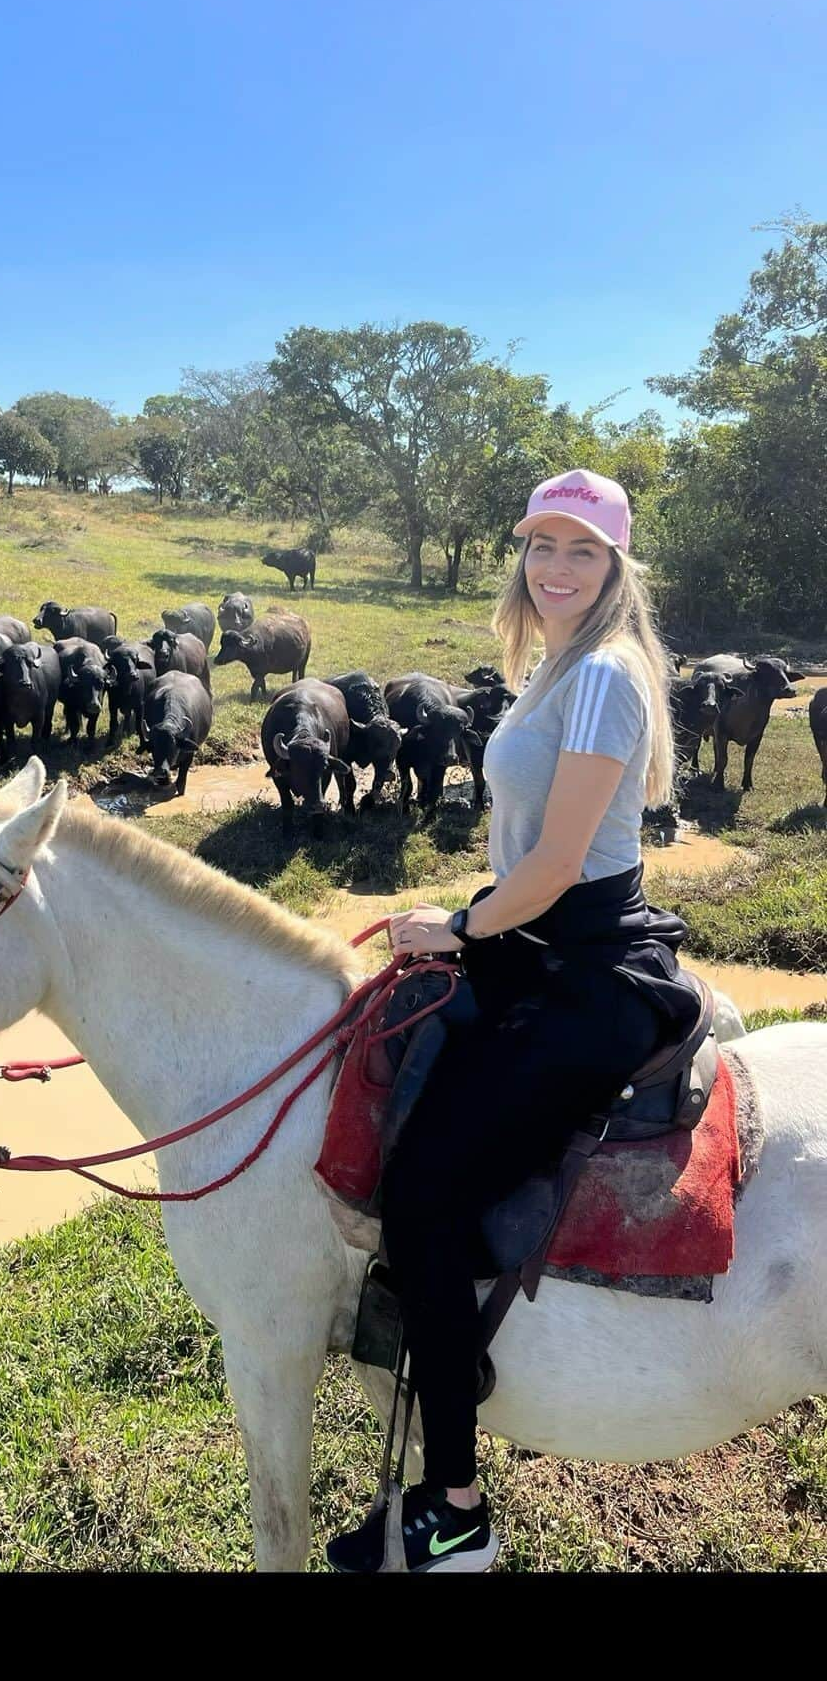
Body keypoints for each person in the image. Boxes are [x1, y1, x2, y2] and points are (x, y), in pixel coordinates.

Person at [327, 467, 698, 1575]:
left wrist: (458, 923)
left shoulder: (602, 678)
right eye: (541, 544)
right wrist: (479, 914)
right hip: (536, 951)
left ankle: (458, 1510)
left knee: (427, 1193)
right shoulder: (555, 666)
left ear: (617, 565)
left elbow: (550, 867)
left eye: (581, 550)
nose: (555, 568)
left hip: (584, 977)